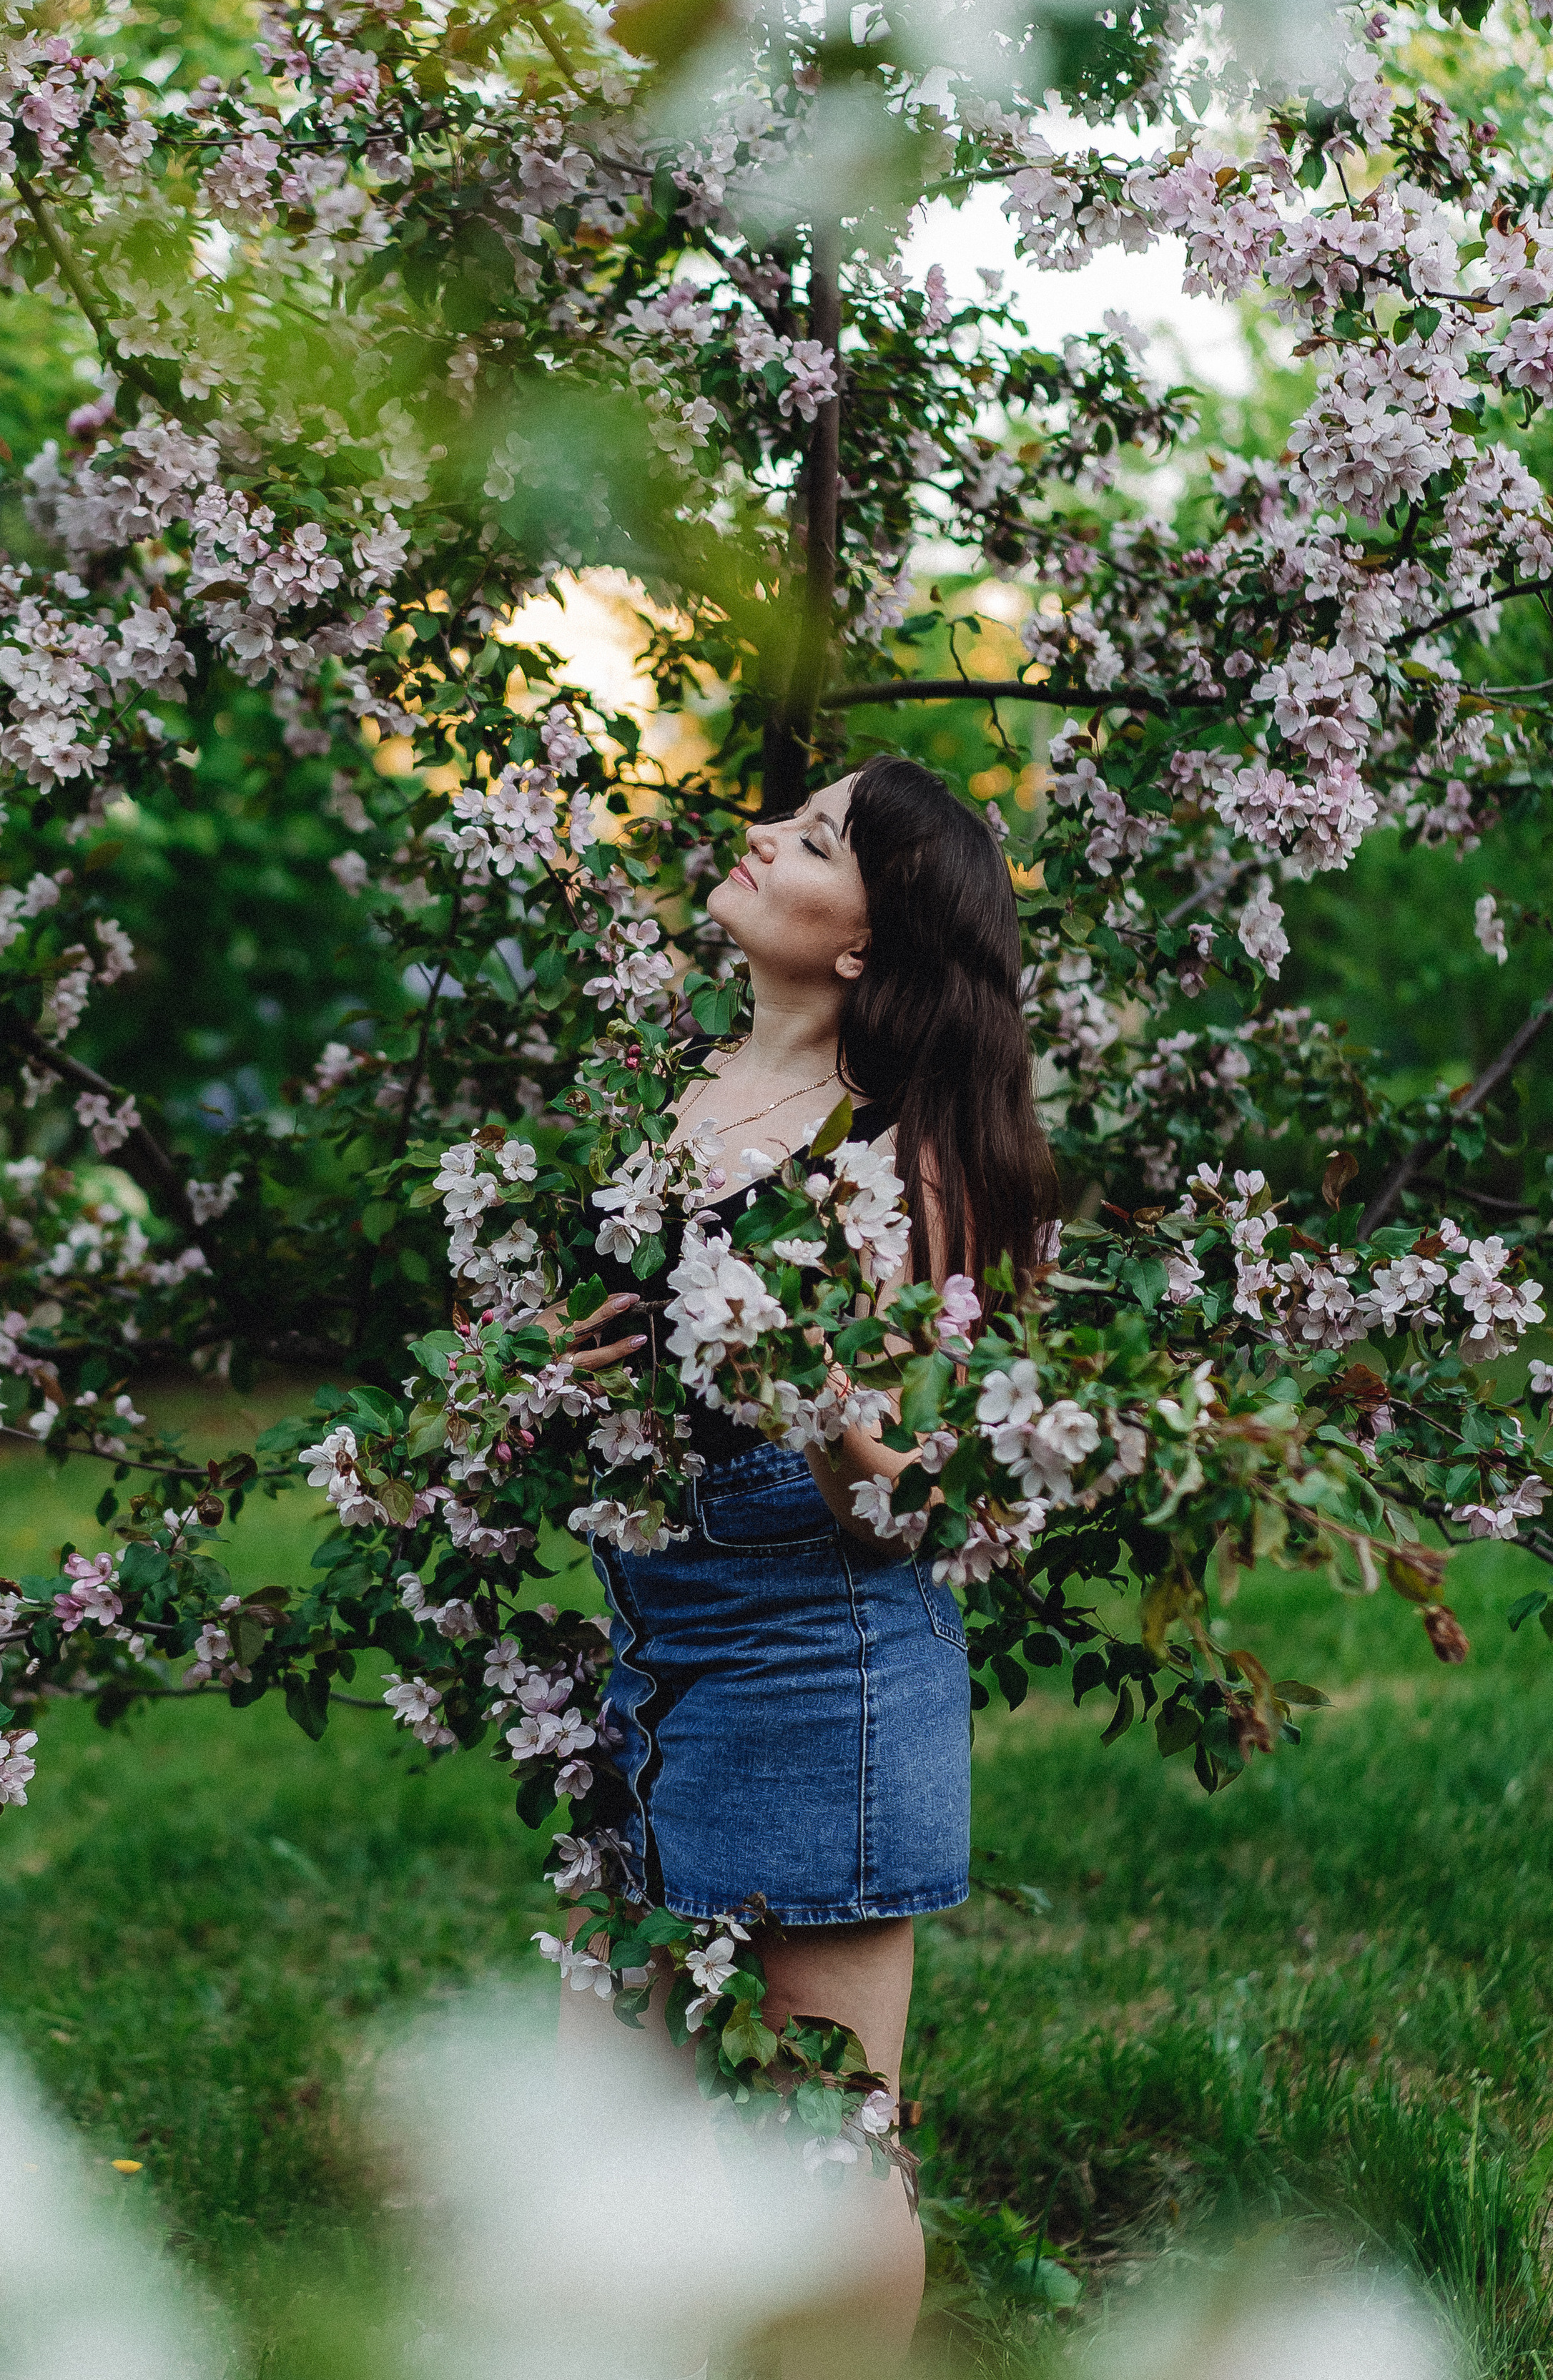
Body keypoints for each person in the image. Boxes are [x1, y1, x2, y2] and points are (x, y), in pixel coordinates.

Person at [556, 755, 1057, 2376]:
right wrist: (570, 1388)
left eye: (820, 838)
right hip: (657, 1645)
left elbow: (920, 1514)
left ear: (864, 942)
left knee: (823, 2126)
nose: (766, 836)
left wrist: (840, 1425)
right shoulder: (679, 1094)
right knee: (603, 2088)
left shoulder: (905, 1159)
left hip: (818, 1658)